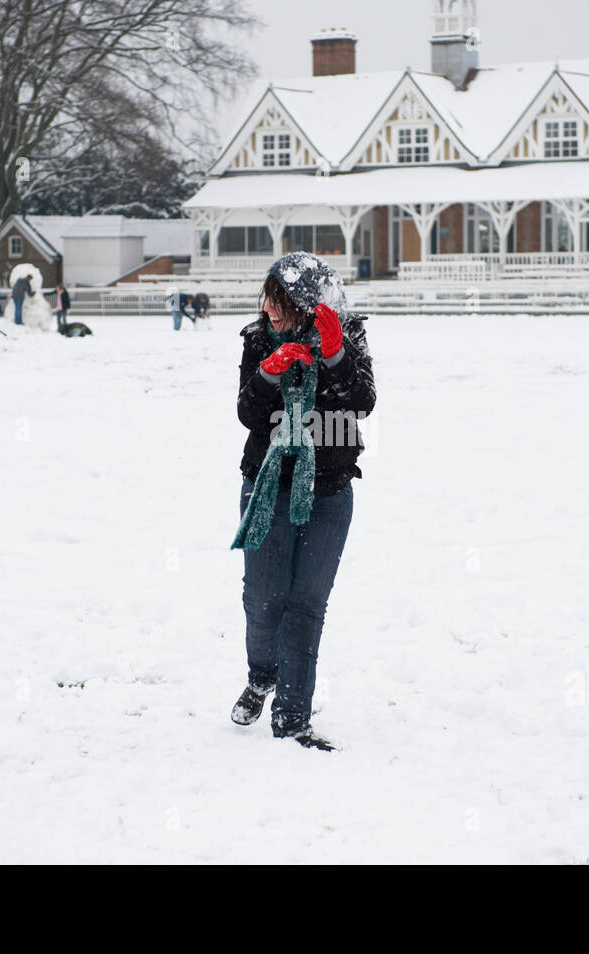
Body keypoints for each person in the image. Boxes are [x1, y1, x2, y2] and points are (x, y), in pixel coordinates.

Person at [229, 252, 376, 751]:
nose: (270, 306)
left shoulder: (347, 334)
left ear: (309, 303)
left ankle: (292, 718)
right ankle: (261, 675)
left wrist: (335, 356)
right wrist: (269, 373)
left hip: (329, 490)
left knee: (306, 606)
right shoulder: (257, 339)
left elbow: (360, 404)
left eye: (282, 298)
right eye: (267, 295)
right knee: (262, 600)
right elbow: (250, 413)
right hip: (268, 486)